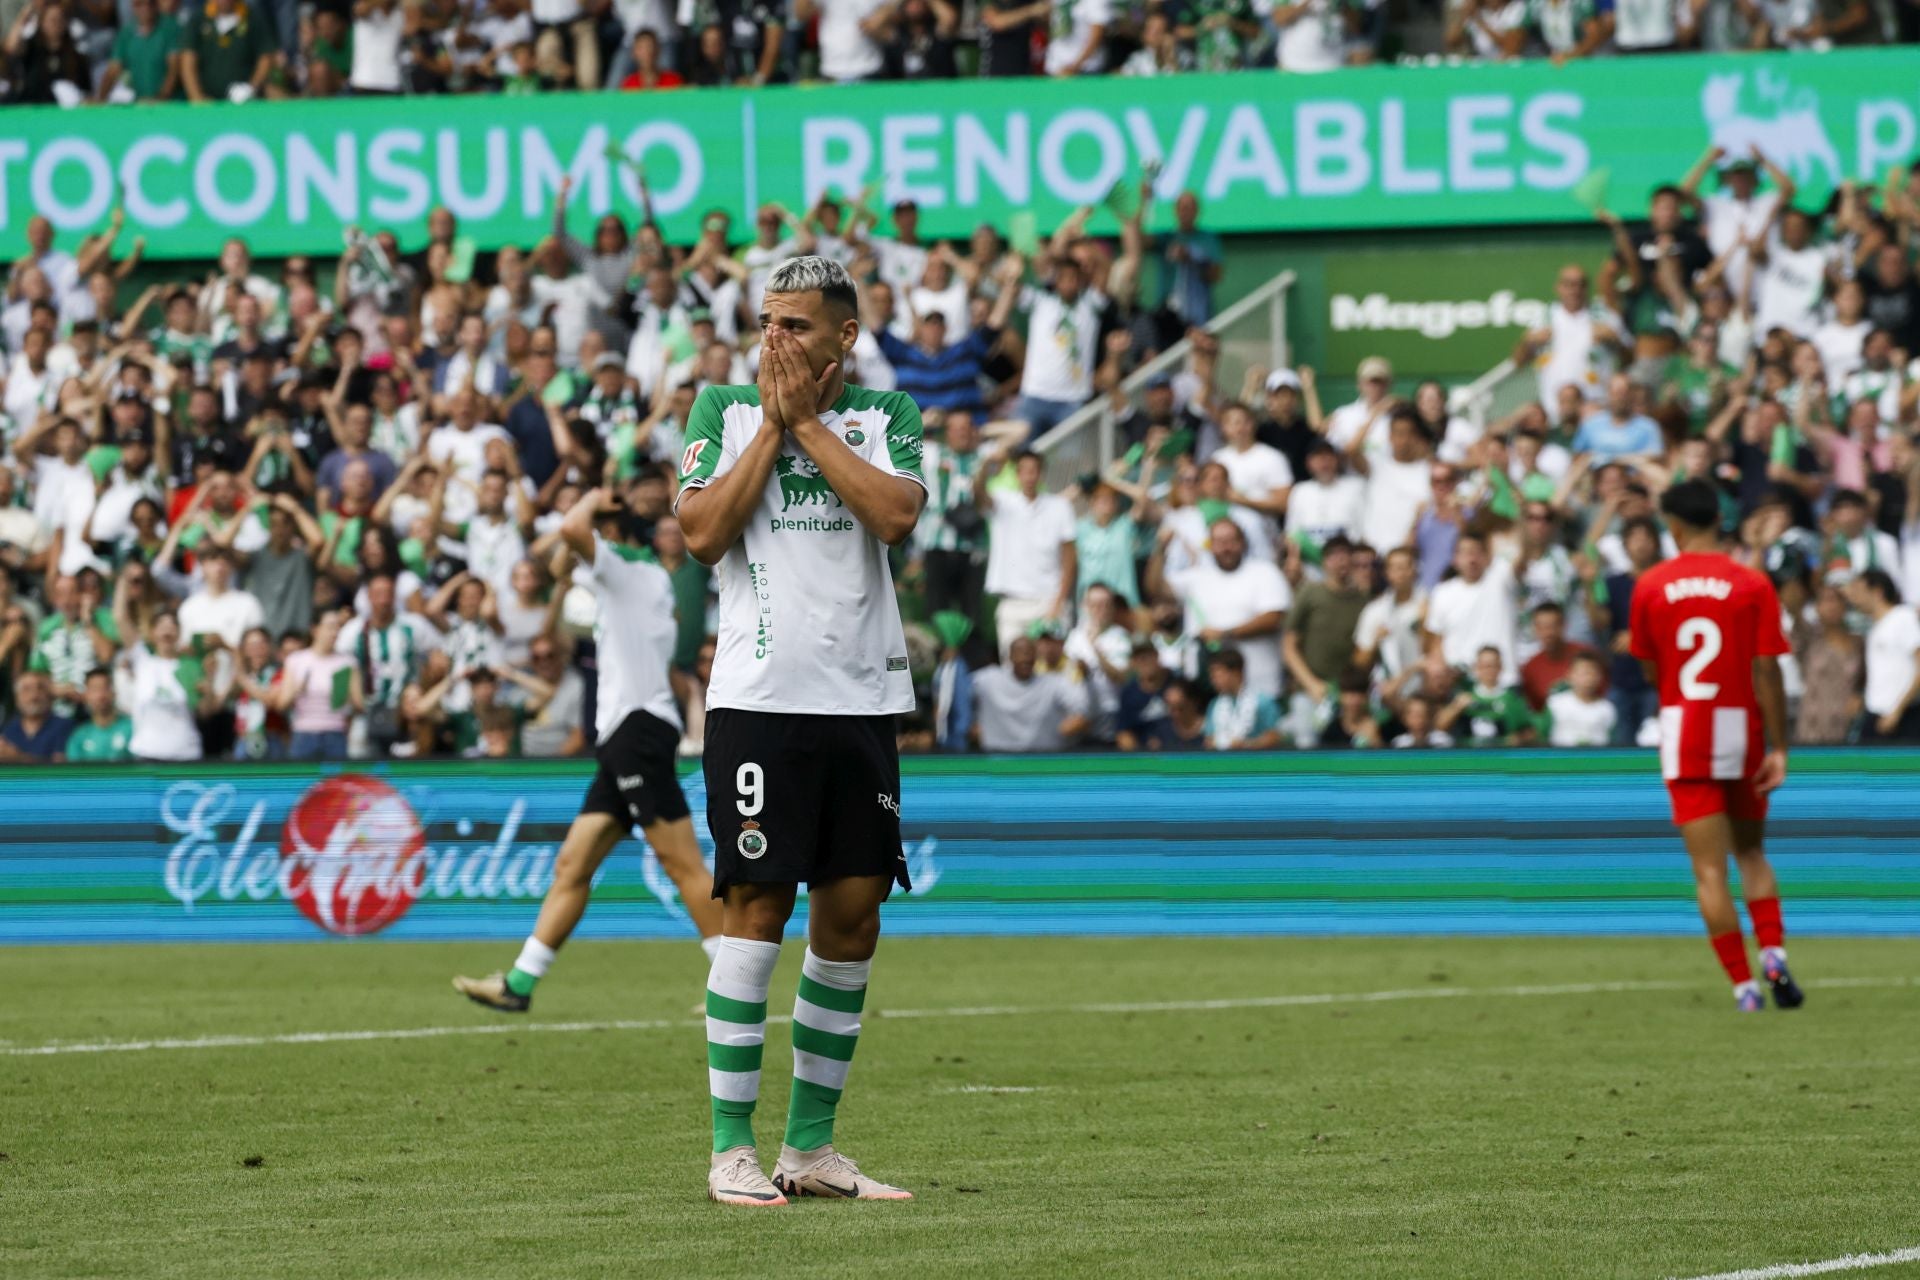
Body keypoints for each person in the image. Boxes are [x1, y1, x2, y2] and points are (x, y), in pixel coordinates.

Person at [674, 256, 923, 1206]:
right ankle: (730, 1147)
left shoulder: (887, 419)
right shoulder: (723, 412)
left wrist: (809, 426)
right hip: (758, 705)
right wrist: (774, 428)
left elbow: (896, 515)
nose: (774, 339)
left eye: (795, 326)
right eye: (767, 321)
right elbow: (701, 533)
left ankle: (810, 1151)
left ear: (844, 337)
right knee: (758, 911)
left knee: (852, 919)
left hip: (860, 704)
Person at [455, 488, 724, 1012]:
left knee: (682, 864)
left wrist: (595, 502)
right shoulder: (643, 579)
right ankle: (519, 984)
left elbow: (572, 537)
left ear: (616, 533)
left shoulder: (626, 573)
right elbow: (560, 563)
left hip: (637, 732)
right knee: (573, 865)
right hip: (628, 735)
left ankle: (734, 984)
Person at [1628, 480, 1799, 1013]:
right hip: (1740, 726)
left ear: (1674, 526)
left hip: (1686, 730)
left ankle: (1745, 987)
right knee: (1752, 852)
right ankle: (1773, 951)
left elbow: (1649, 665)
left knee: (1708, 870)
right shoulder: (1750, 583)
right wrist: (1779, 746)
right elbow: (1766, 666)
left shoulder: (1651, 585)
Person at [976, 449, 1077, 658]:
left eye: (1035, 471)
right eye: (1025, 471)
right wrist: (985, 464)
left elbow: (1069, 559)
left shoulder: (1060, 506)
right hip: (1012, 603)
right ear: (1017, 474)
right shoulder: (1003, 502)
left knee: (1051, 669)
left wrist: (1058, 602)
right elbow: (978, 494)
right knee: (1013, 669)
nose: (1030, 476)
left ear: (1042, 474)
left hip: (1049, 601)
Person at [970, 634, 1090, 752]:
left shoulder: (1053, 682)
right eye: (1020, 652)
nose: (1026, 657)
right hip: (996, 756)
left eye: (1030, 653)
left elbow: (1081, 711)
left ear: (1036, 657)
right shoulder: (988, 679)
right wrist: (969, 723)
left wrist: (1073, 723)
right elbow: (959, 693)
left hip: (1042, 756)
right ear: (1010, 656)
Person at [274, 610, 362, 760]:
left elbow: (360, 705)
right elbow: (281, 704)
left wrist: (347, 697)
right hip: (304, 732)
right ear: (315, 629)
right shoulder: (296, 660)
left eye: (338, 627)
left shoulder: (347, 662)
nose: (334, 632)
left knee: (335, 783)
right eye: (330, 627)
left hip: (335, 731)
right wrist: (297, 689)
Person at [1847, 569, 1920, 742]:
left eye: (1858, 589)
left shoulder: (1903, 617)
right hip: (1875, 714)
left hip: (1903, 716)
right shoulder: (1875, 627)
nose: (1853, 595)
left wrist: (1897, 711)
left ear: (1877, 591)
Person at [1203, 648, 1282, 751]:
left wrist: (1247, 744)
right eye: (1212, 677)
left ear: (1236, 672)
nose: (1214, 681)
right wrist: (1224, 743)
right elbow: (1209, 740)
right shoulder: (1214, 705)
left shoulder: (1263, 701)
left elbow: (1274, 737)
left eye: (1217, 675)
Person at [1540, 652, 1616, 747]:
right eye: (1583, 673)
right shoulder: (1555, 703)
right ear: (1570, 675)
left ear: (1600, 677)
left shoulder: (1607, 708)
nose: (1588, 678)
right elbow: (1541, 736)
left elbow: (1614, 742)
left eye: (1592, 673)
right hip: (1560, 758)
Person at [0, 669, 72, 762]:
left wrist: (19, 757)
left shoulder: (64, 727)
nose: (34, 696)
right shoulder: (7, 728)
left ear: (50, 695)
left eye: (40, 688)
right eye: (26, 689)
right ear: (17, 698)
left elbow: (60, 769)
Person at [65, 667, 133, 761]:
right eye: (95, 689)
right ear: (86, 695)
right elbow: (74, 773)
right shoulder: (79, 736)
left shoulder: (132, 728)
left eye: (105, 688)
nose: (101, 695)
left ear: (114, 693)